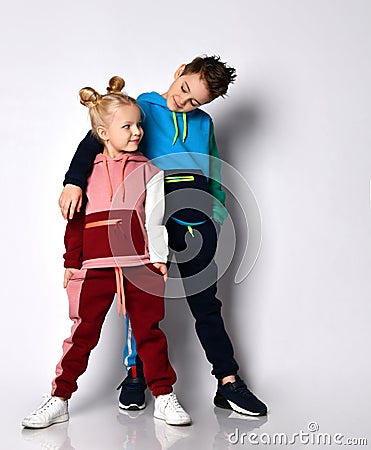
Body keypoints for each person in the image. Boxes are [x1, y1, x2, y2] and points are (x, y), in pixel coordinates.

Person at [58, 56, 268, 416]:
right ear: (179, 72)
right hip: (150, 211)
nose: (183, 102)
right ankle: (135, 374)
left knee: (206, 302)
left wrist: (215, 213)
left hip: (196, 216)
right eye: (184, 90)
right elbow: (96, 137)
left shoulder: (203, 124)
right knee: (139, 297)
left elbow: (213, 165)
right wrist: (73, 181)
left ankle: (228, 381)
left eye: (194, 102)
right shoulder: (143, 108)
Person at [22, 77, 192, 429]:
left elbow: (156, 218)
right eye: (127, 126)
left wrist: (158, 258)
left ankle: (162, 396)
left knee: (149, 331)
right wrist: (71, 263)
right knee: (82, 333)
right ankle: (59, 398)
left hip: (140, 265)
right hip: (95, 266)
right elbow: (75, 221)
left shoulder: (150, 171)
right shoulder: (84, 175)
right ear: (102, 131)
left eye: (139, 125)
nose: (136, 132)